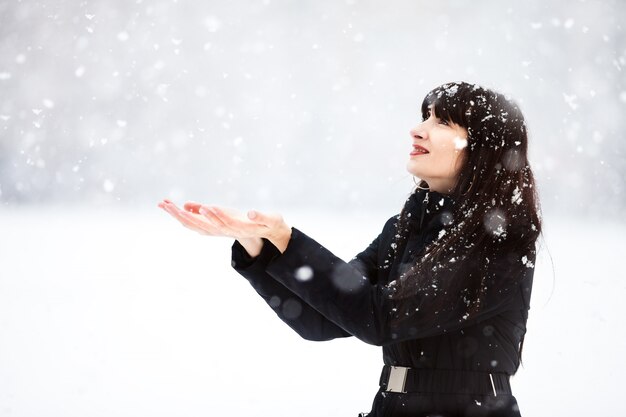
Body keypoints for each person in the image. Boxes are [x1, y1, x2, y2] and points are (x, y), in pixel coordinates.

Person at [158, 81, 543, 417]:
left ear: (483, 148)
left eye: (441, 121)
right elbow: (322, 318)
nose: (418, 130)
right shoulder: (404, 229)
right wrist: (260, 243)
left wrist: (287, 238)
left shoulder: (498, 241)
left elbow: (381, 318)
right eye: (425, 116)